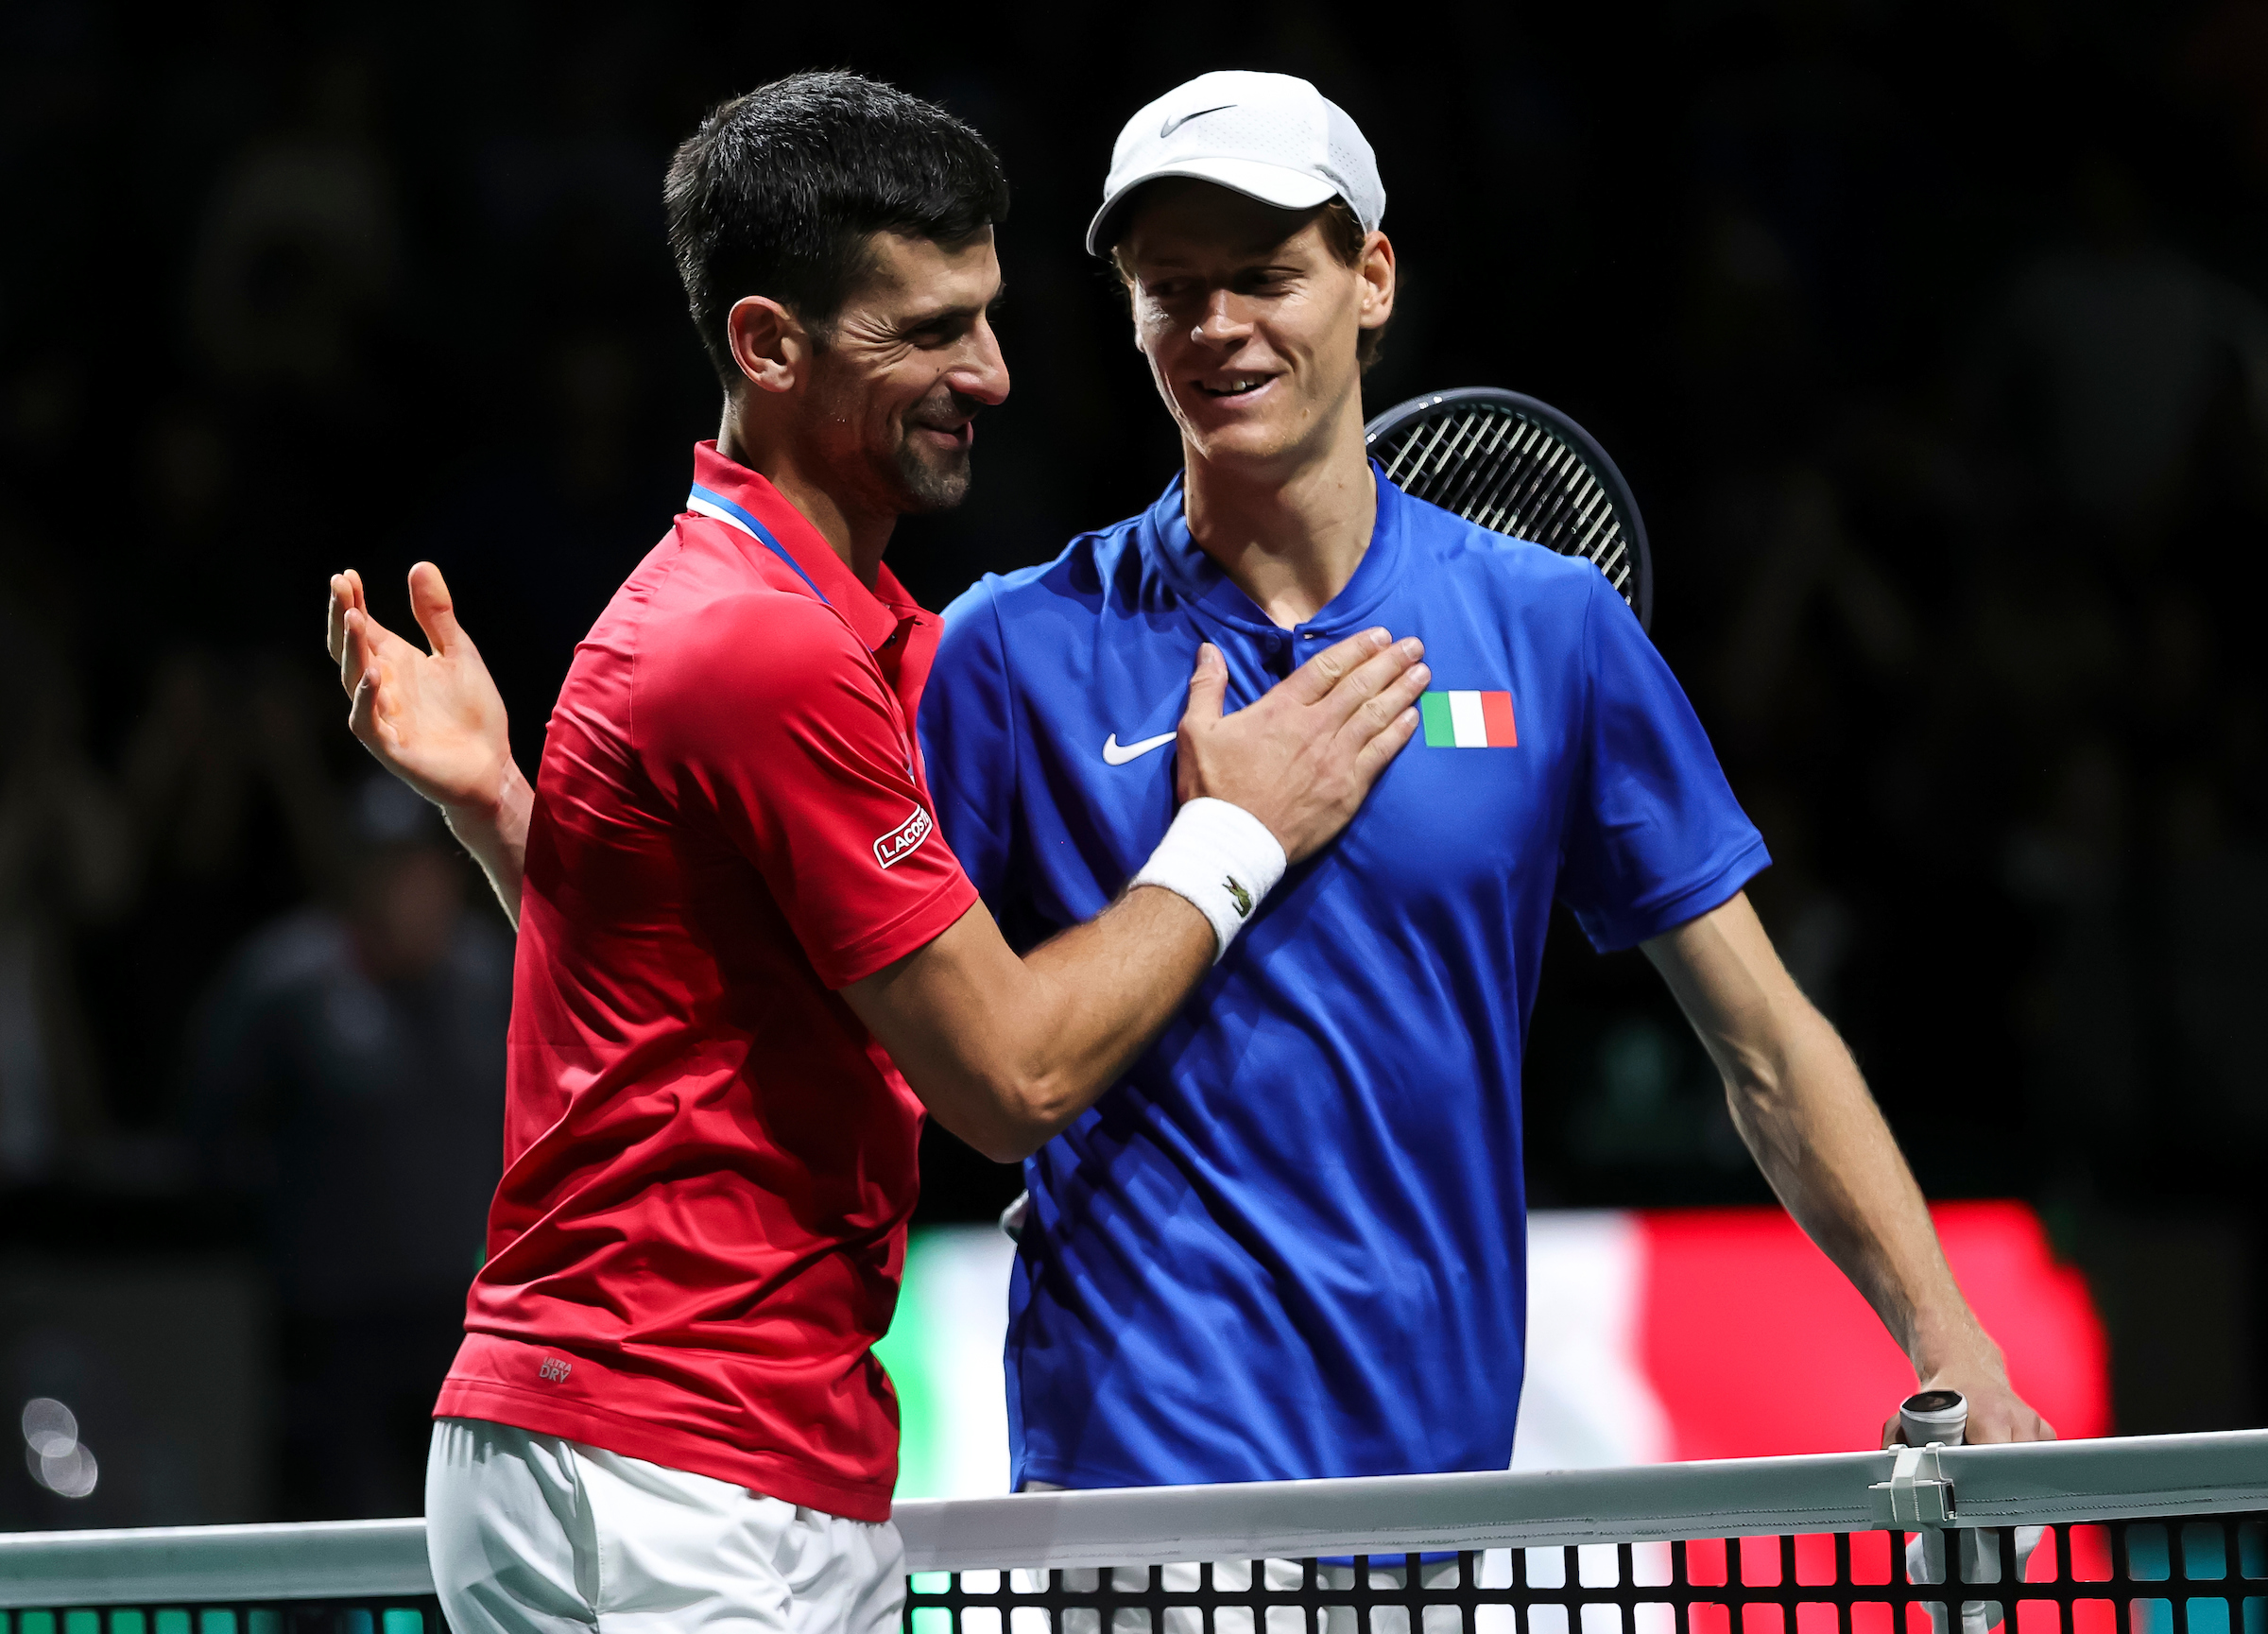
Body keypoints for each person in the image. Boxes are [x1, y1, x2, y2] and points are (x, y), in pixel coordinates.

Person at [342, 70, 2052, 1496]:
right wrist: (521, 831)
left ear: (1373, 277)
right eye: (1170, 285)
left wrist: (1950, 1340)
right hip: (1127, 1499)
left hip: (1440, 1497)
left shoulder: (1549, 627)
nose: (1216, 324)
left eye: (1267, 272)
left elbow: (1762, 1036)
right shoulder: (1011, 648)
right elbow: (764, 985)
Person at [328, 72, 1428, 1634]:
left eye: (985, 316)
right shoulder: (750, 648)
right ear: (768, 345)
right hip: (666, 1455)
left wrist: (505, 819)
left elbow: (683, 992)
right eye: (921, 331)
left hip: (727, 1448)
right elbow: (1009, 1083)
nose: (982, 372)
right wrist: (1240, 828)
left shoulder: (788, 622)